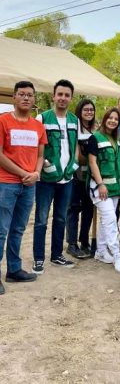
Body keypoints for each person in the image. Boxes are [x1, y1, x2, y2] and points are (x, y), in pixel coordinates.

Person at [0, 81, 46, 292]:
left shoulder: (38, 126)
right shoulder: (3, 121)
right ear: (14, 98)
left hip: (29, 186)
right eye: (22, 94)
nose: (26, 98)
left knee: (18, 229)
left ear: (34, 99)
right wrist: (23, 173)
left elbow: (40, 154)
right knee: (1, 230)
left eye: (30, 95)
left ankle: (14, 270)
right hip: (6, 184)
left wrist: (36, 173)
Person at [33, 79, 79, 273]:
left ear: (71, 98)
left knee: (60, 218)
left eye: (66, 95)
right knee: (42, 219)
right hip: (46, 180)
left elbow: (75, 146)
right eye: (59, 94)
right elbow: (36, 148)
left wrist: (73, 165)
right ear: (53, 96)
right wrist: (45, 165)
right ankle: (38, 258)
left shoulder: (74, 120)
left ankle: (56, 255)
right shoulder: (42, 119)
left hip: (67, 179)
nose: (63, 98)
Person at [87, 108, 120, 273]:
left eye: (116, 119)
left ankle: (101, 252)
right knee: (110, 219)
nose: (113, 121)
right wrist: (100, 183)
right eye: (110, 118)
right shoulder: (94, 138)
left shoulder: (117, 140)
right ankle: (117, 256)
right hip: (100, 188)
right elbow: (92, 163)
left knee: (106, 221)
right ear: (104, 119)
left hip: (115, 187)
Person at [67, 99, 97, 259]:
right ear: (80, 110)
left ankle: (84, 240)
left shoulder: (95, 129)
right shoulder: (75, 128)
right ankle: (72, 243)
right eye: (86, 109)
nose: (89, 112)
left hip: (90, 177)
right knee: (73, 209)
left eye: (91, 109)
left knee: (88, 210)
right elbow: (77, 156)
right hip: (75, 175)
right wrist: (90, 156)